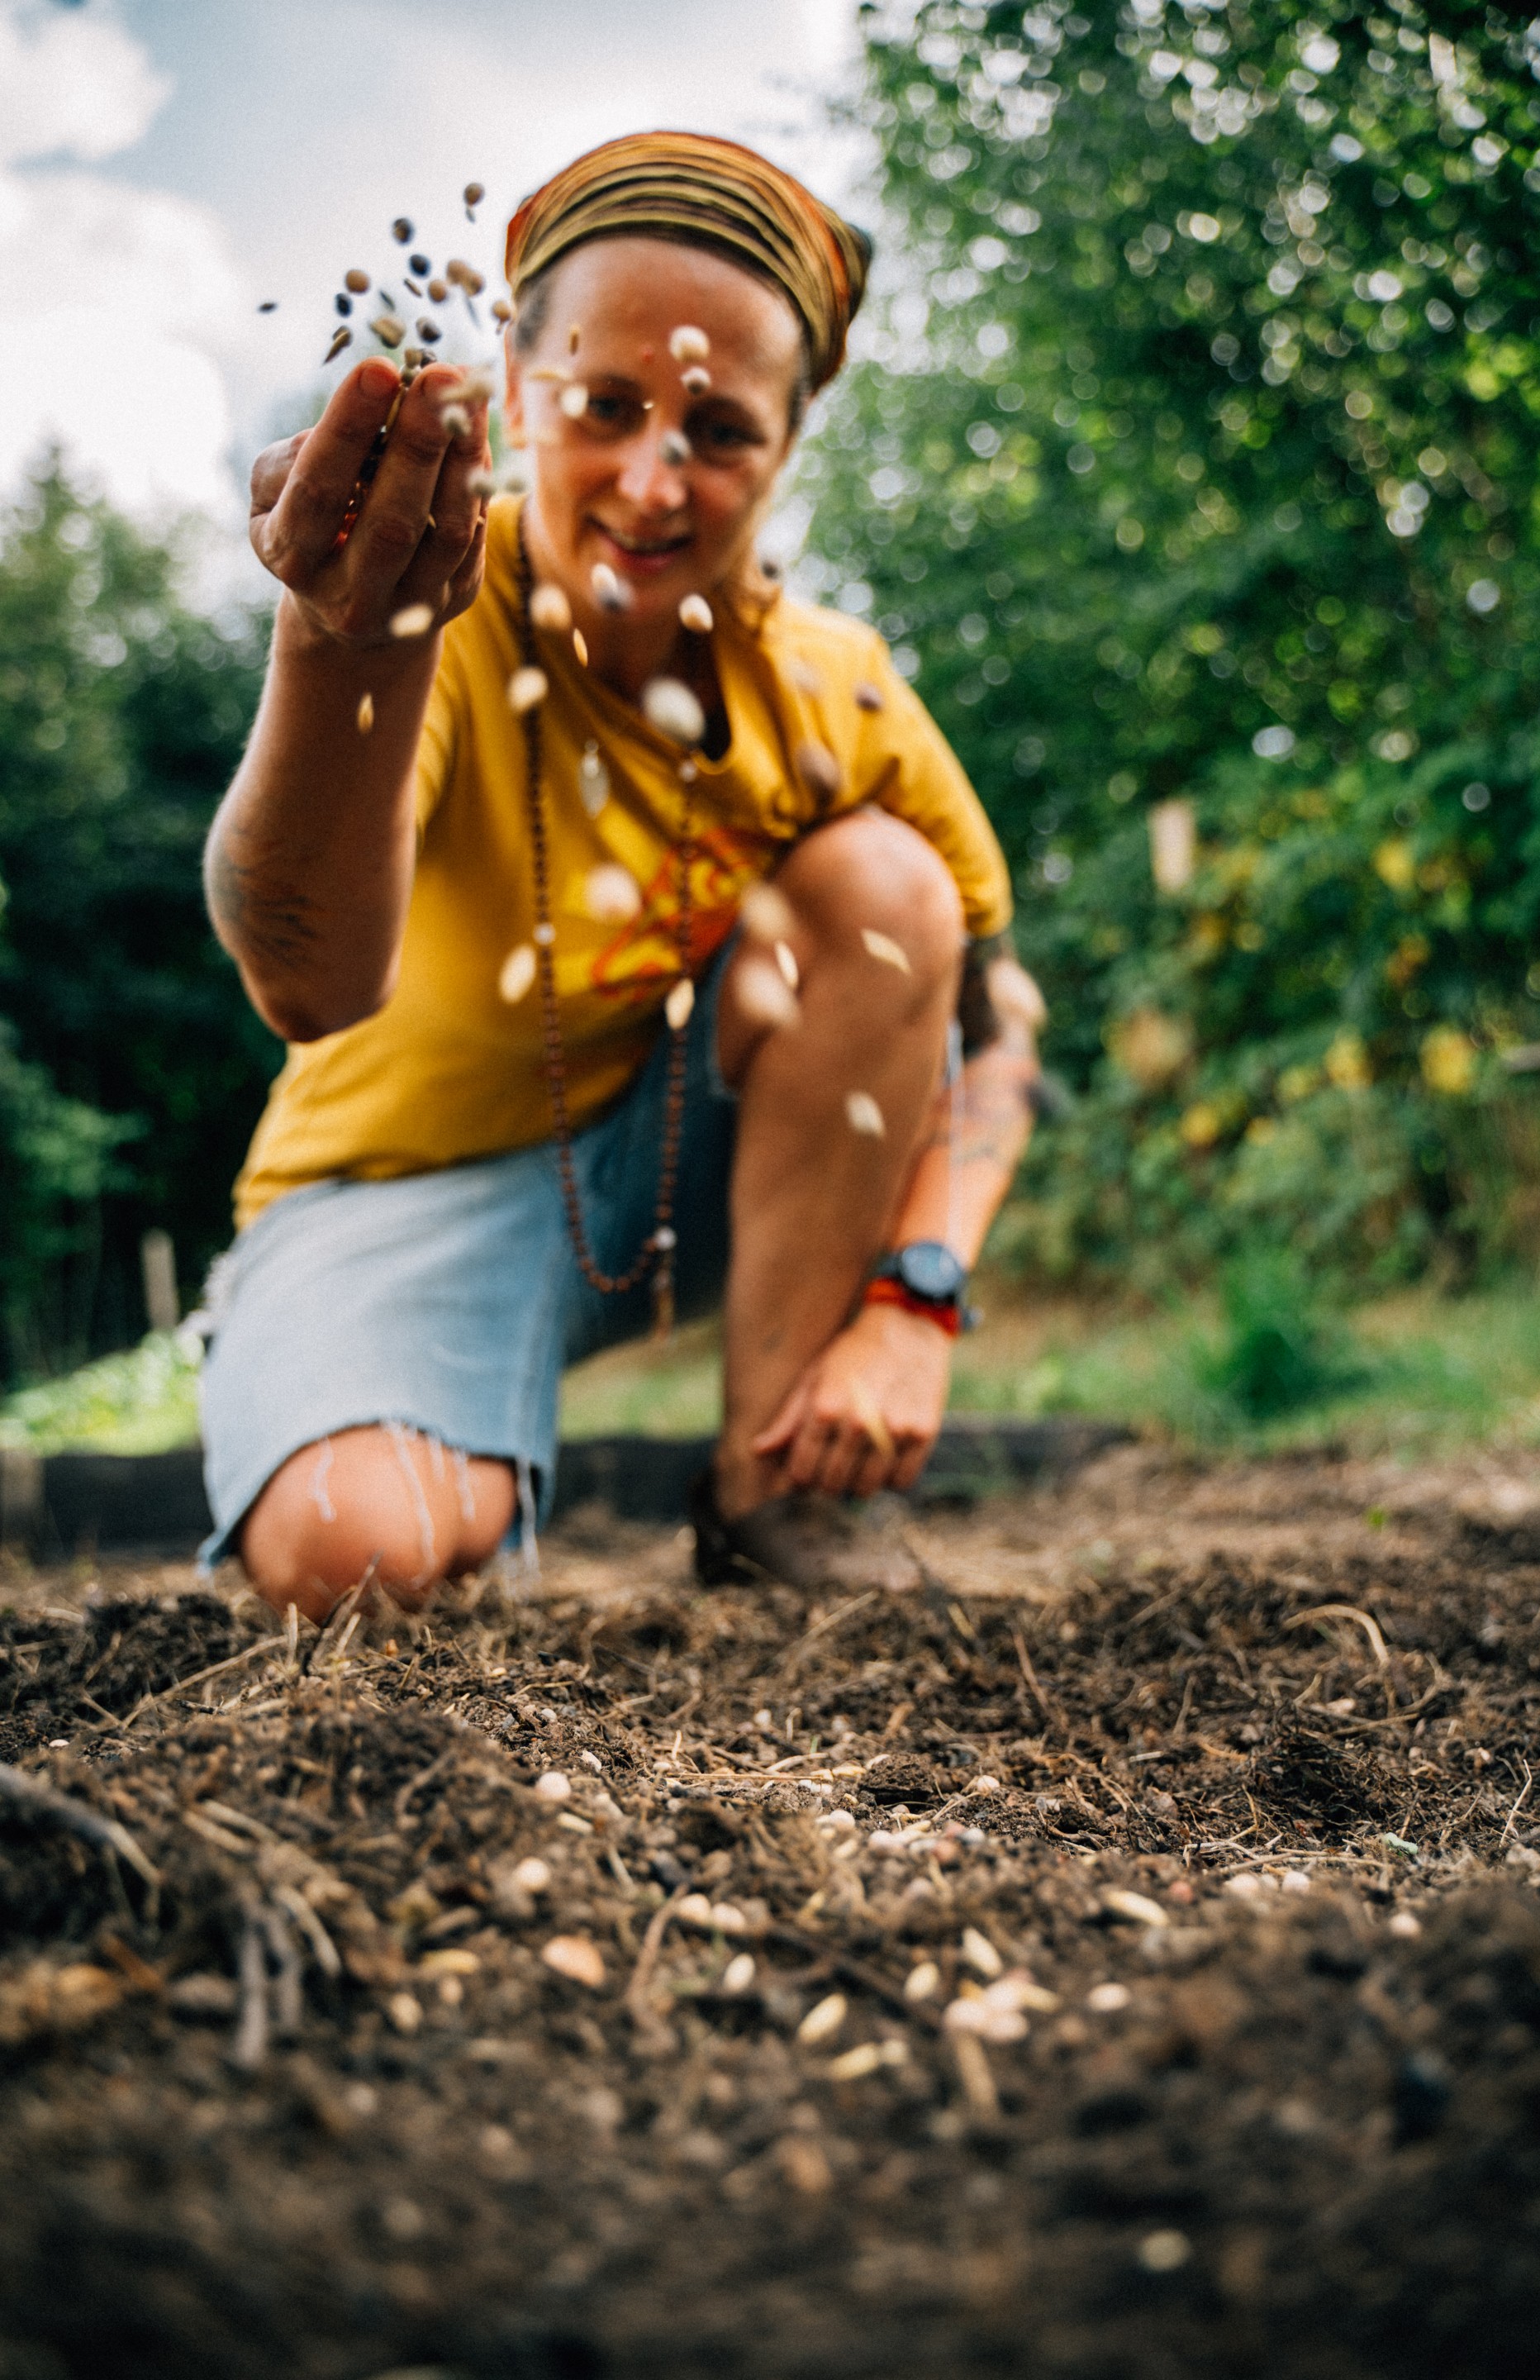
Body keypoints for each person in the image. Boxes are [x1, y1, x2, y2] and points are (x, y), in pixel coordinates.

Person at [202, 131, 1043, 1623]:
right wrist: (339, 646)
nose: (655, 482)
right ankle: (346, 1389)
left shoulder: (837, 691)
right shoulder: (440, 618)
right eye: (606, 408)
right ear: (518, 395)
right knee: (348, 1553)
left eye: (720, 431)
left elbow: (998, 1029)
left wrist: (917, 1295)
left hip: (681, 1175)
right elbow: (308, 979)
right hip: (391, 1188)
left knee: (888, 892)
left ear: (787, 448)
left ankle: (770, 1492)